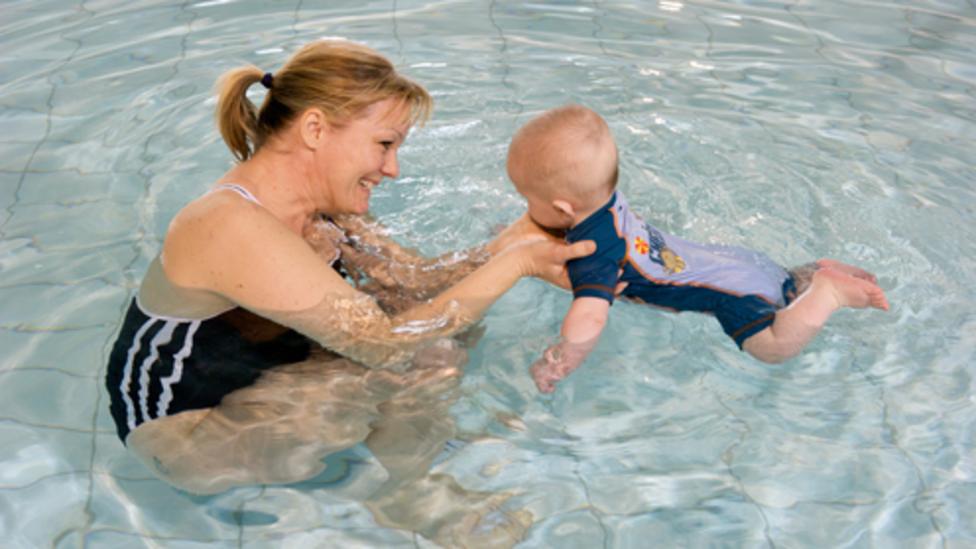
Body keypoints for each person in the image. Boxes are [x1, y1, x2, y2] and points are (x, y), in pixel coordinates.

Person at [104, 40, 592, 546]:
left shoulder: (325, 210)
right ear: (315, 129)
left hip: (265, 381)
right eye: (384, 144)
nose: (392, 168)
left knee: (438, 343)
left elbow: (413, 283)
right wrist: (518, 264)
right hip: (190, 437)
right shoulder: (229, 224)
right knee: (388, 363)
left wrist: (515, 241)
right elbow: (382, 345)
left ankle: (407, 481)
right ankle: (400, 492)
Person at [505, 104, 890, 393]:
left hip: (734, 296)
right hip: (744, 264)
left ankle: (827, 291)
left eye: (528, 200)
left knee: (773, 349)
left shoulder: (595, 253)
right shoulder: (607, 203)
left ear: (563, 209)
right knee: (783, 284)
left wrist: (561, 360)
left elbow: (590, 319)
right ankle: (812, 272)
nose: (527, 207)